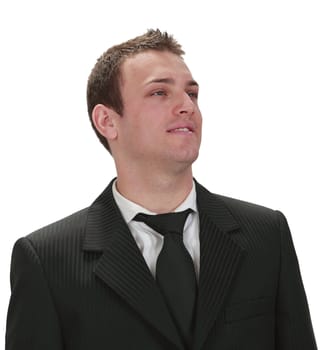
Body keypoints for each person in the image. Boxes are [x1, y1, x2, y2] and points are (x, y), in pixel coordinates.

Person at [5, 29, 317, 350]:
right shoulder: (47, 261)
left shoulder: (266, 235)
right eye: (159, 93)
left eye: (192, 94)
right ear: (107, 121)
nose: (187, 106)